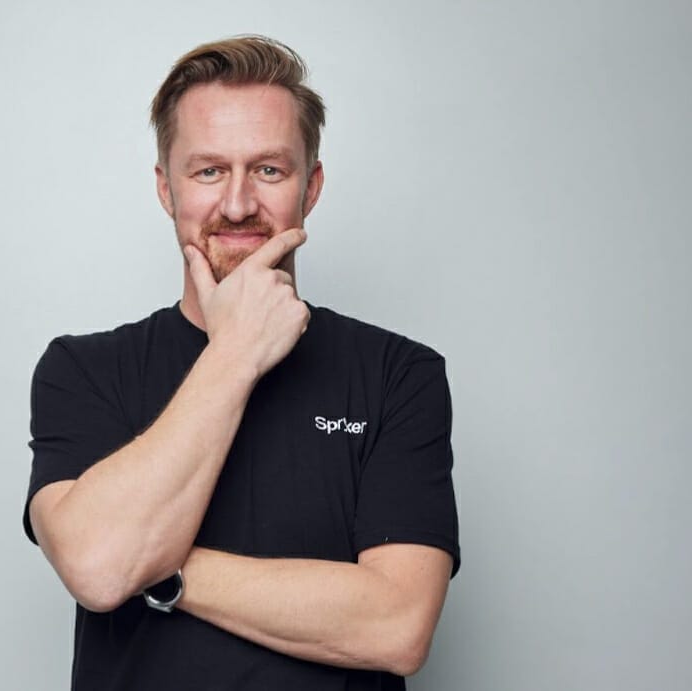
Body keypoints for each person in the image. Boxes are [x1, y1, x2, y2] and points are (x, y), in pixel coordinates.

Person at [23, 35, 460, 690]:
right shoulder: (83, 370)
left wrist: (157, 566)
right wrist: (234, 349)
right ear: (165, 189)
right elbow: (96, 567)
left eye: (268, 170)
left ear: (309, 187)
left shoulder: (398, 374)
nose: (235, 204)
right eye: (207, 171)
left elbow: (396, 626)